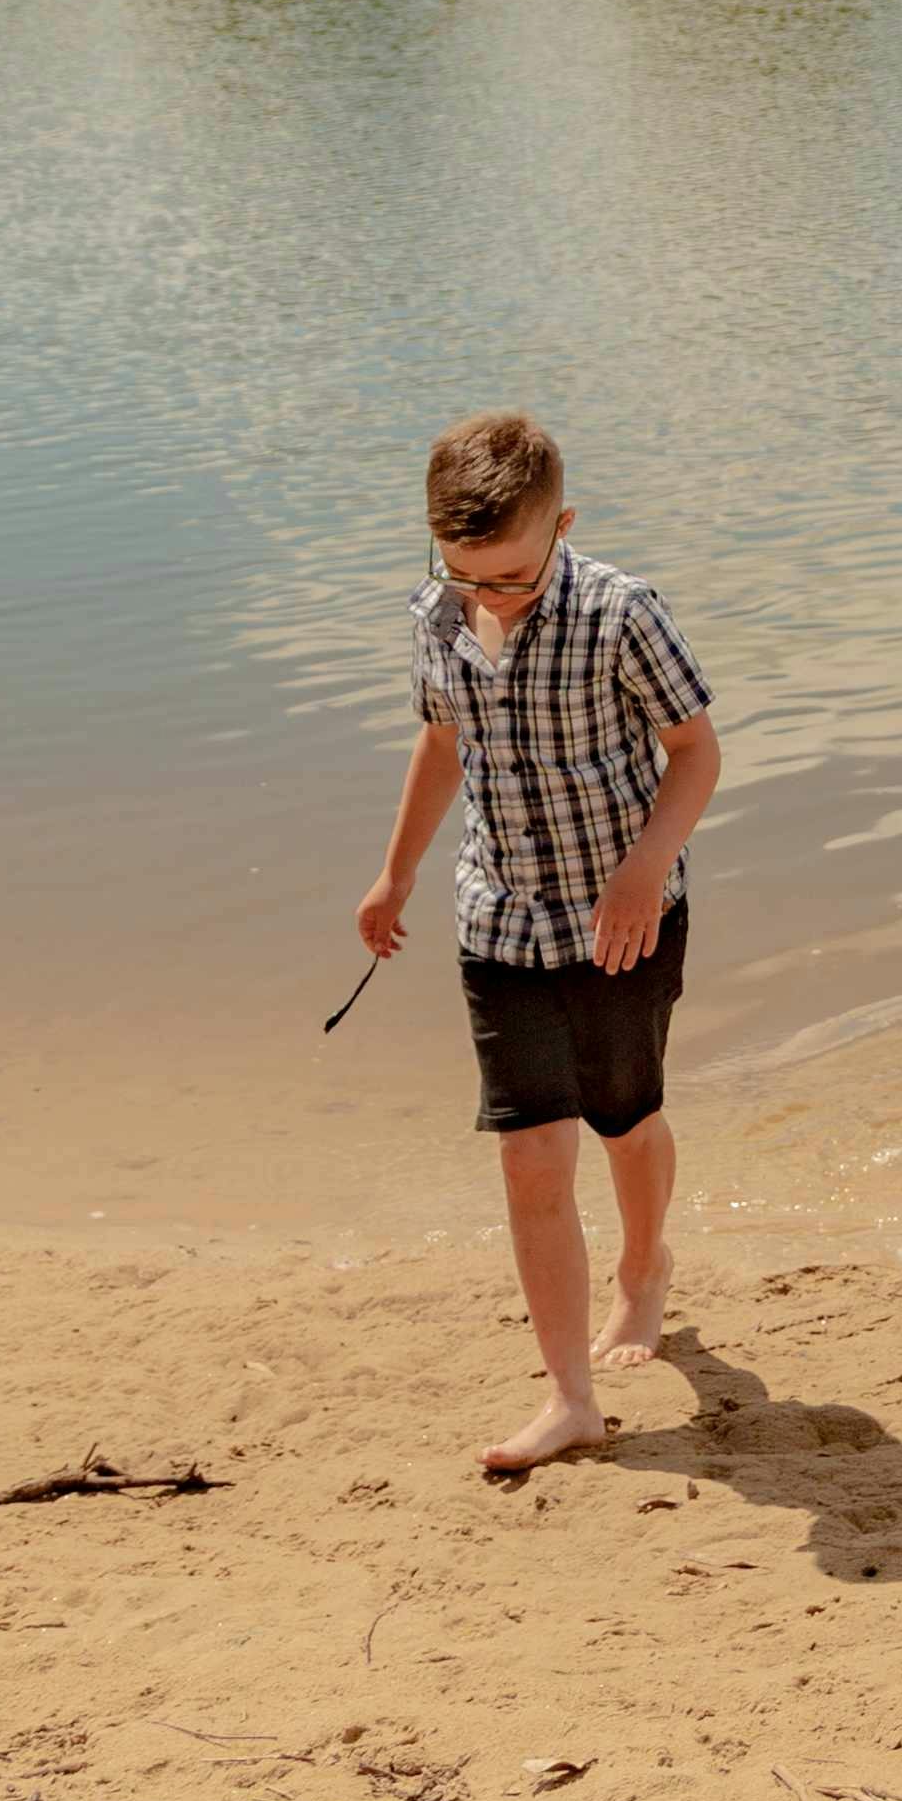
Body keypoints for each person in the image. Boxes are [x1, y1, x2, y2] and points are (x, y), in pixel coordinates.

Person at [346, 409, 725, 1477]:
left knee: (624, 1119)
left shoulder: (621, 613)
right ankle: (571, 1398)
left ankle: (644, 1270)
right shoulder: (440, 611)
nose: (488, 598)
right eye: (467, 575)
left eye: (510, 577)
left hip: (623, 917)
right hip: (500, 917)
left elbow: (695, 752)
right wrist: (397, 869)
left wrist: (645, 867)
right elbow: (441, 738)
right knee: (528, 1154)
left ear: (562, 525)